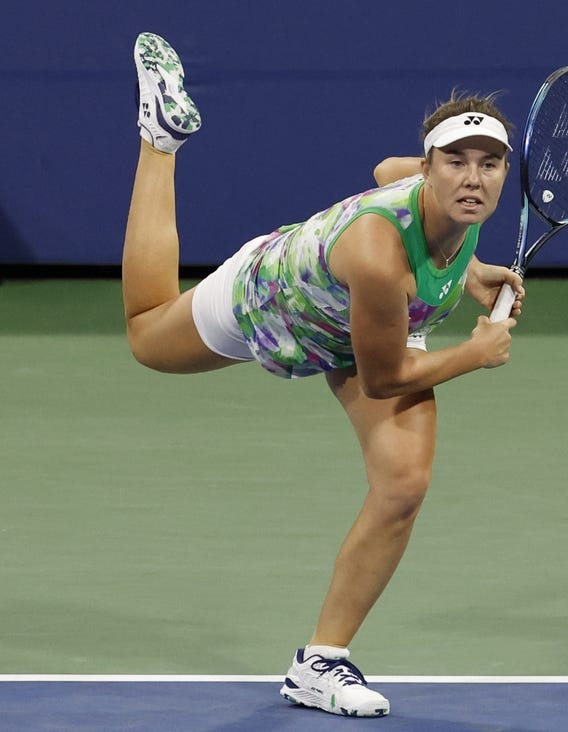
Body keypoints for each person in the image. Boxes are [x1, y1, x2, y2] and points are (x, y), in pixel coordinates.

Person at [125, 32, 524, 718]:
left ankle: (320, 663)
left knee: (403, 483)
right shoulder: (377, 254)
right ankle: (159, 141)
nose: (472, 178)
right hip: (278, 303)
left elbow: (381, 168)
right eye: (454, 162)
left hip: (376, 323)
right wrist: (476, 351)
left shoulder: (451, 197)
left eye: (488, 164)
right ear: (428, 170)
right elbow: (385, 378)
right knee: (146, 333)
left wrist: (473, 270)